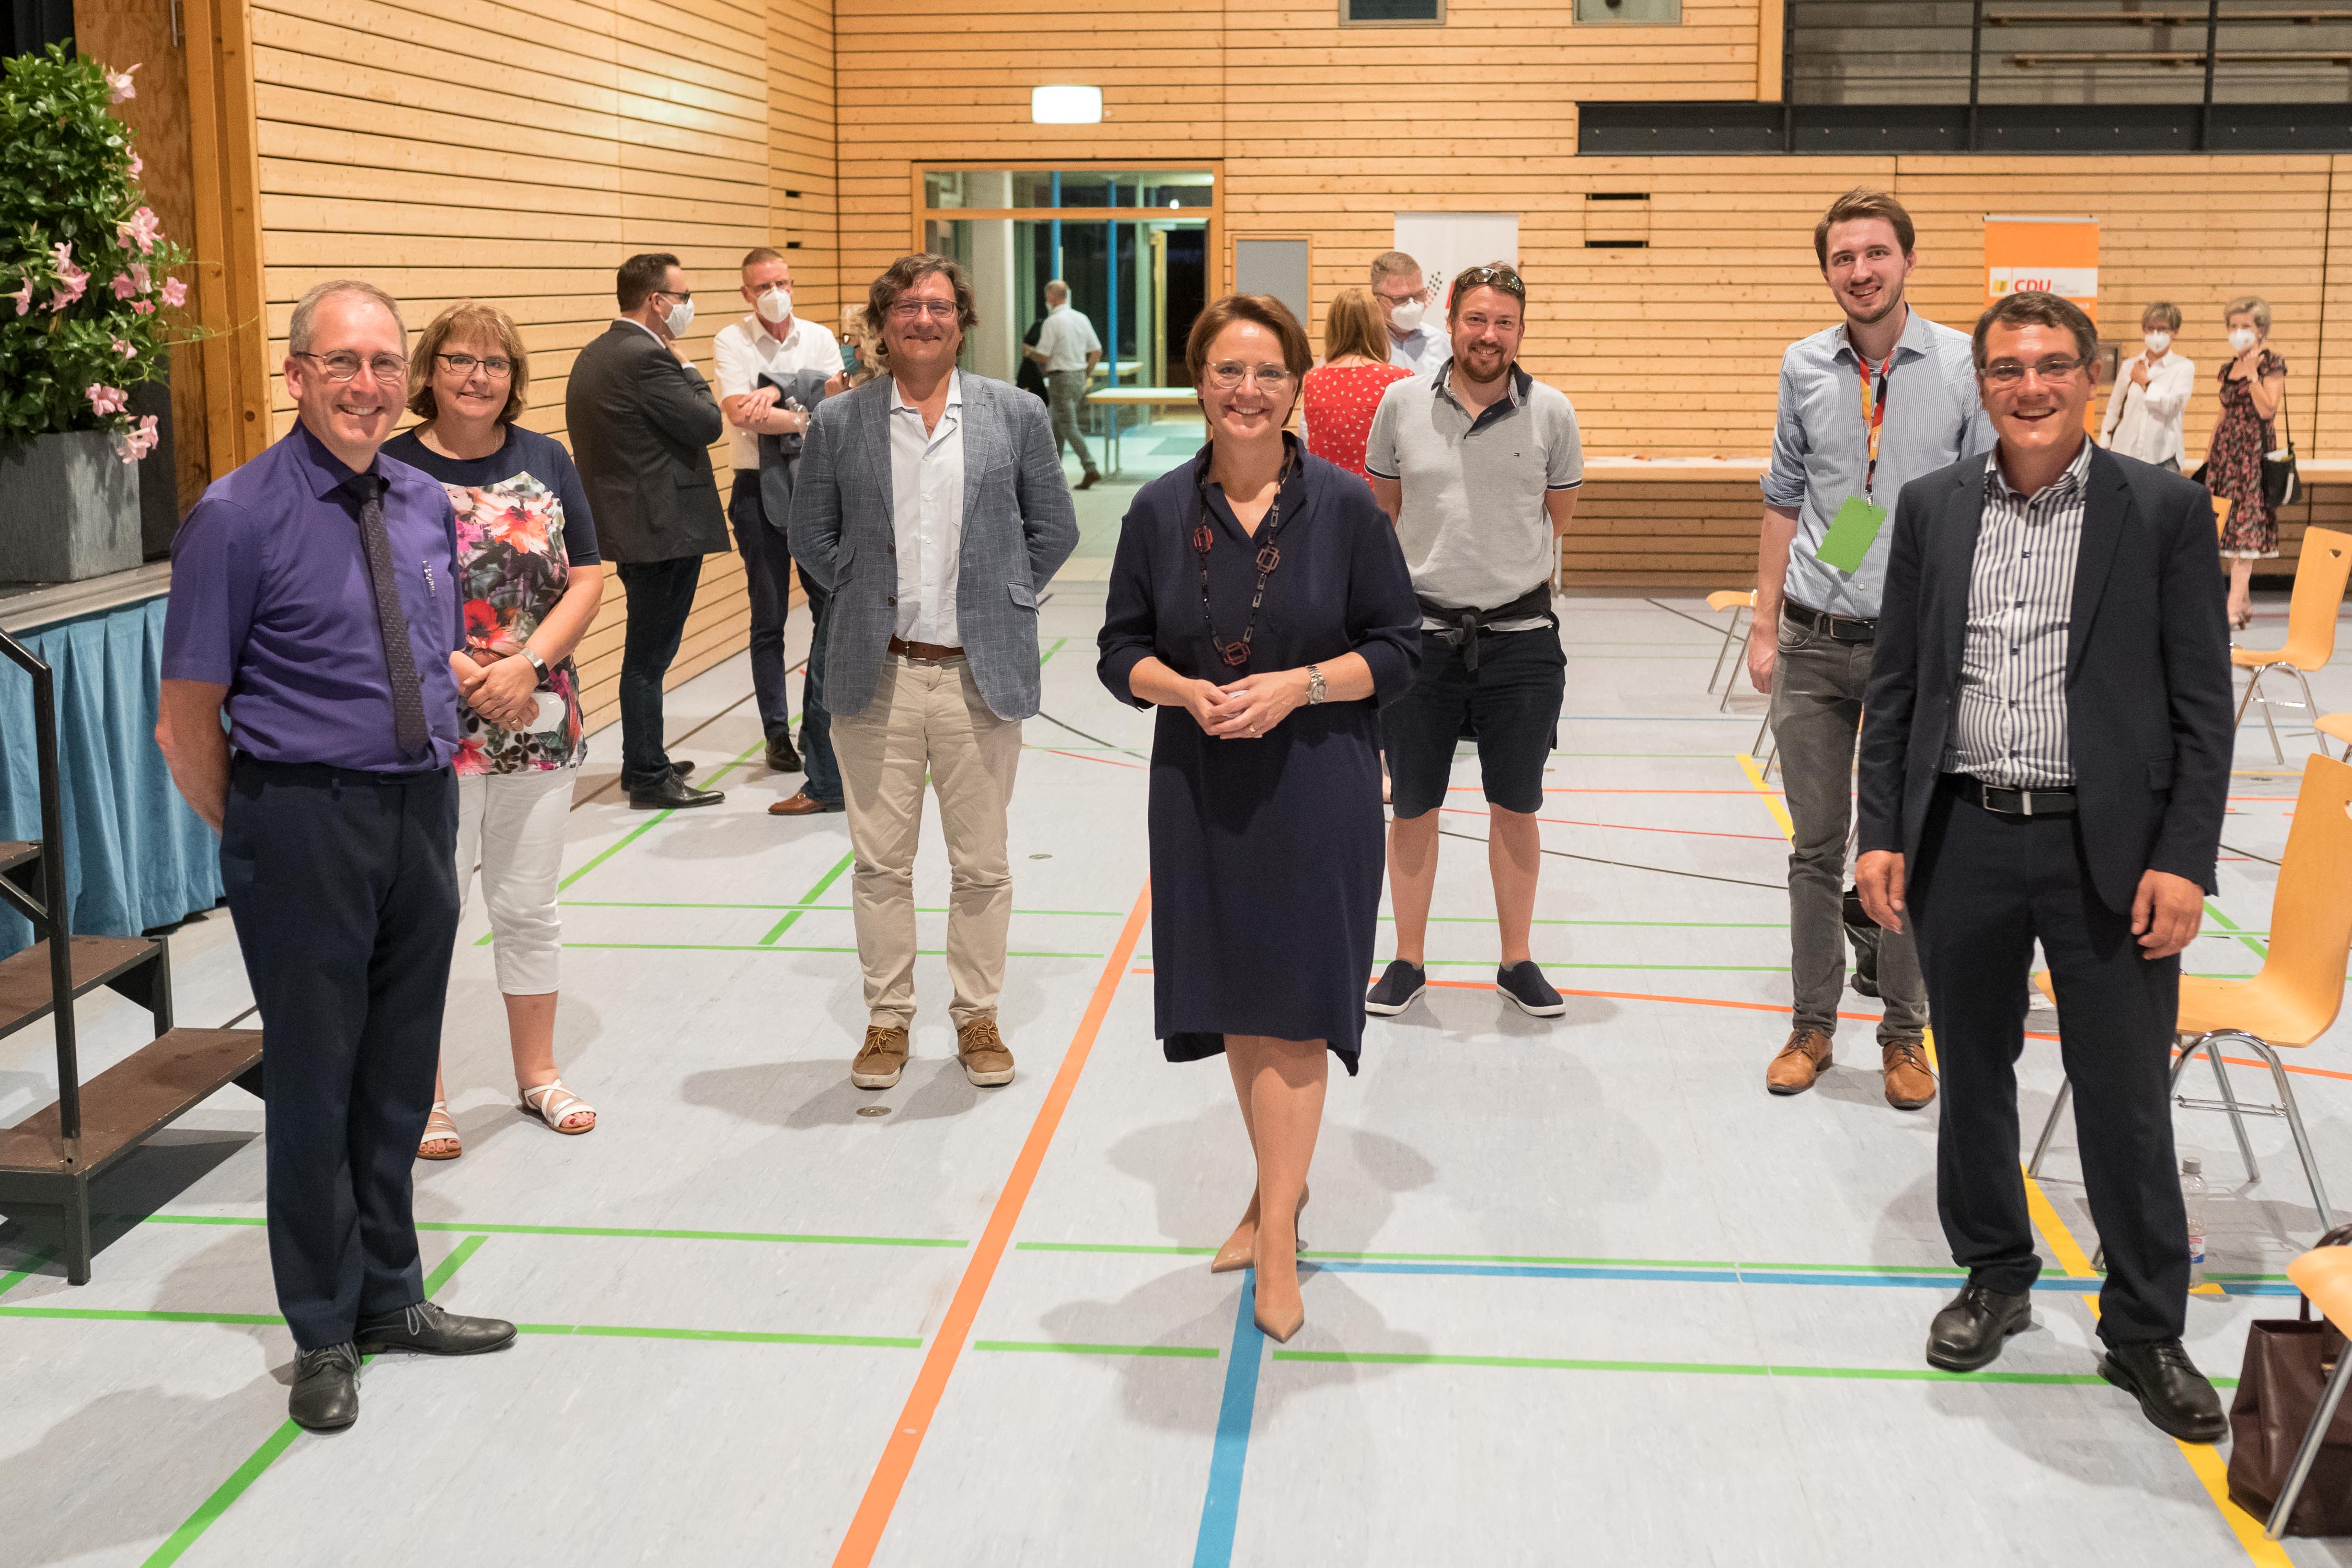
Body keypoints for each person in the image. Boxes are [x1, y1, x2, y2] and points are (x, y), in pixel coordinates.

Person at [1854, 290, 2233, 1441]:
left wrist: (2184, 860)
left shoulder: (2161, 509)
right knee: (1974, 1075)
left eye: (2054, 366)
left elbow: (2201, 707)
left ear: (2092, 376)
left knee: (2124, 1098)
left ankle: (2144, 1327)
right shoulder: (1928, 508)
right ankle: (1996, 1276)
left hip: (2106, 852)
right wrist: (1883, 828)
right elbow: (1902, 686)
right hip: (1965, 833)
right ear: (1982, 384)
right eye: (2010, 368)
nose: (2032, 387)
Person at [156, 280, 516, 1433]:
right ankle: (322, 1326)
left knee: (400, 1071)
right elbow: (185, 720)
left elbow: (427, 647)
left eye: (379, 362)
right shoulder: (234, 515)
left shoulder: (419, 501)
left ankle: (392, 1298)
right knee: (316, 1083)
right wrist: (264, 834)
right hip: (301, 820)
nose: (365, 384)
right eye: (340, 363)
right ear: (296, 374)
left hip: (419, 810)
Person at [1098, 293, 1419, 1343]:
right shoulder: (1155, 512)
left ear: (1297, 388)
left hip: (1318, 783)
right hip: (1199, 784)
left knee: (1296, 1005)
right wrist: (1182, 692)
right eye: (1229, 372)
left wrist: (1300, 688)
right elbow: (1118, 650)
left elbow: (1398, 648)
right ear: (1201, 383)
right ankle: (1276, 1194)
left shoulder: (1345, 508)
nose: (1248, 391)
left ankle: (1277, 1235)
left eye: (1269, 373)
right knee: (1240, 1000)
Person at [790, 255, 1079, 1091]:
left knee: (981, 865)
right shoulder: (840, 421)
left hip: (976, 676)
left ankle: (977, 1015)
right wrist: (860, 590)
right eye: (908, 307)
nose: (925, 319)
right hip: (873, 674)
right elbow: (811, 534)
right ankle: (886, 1021)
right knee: (881, 865)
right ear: (883, 322)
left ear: (964, 321)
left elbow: (1053, 526)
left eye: (941, 307)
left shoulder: (1014, 413)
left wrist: (1005, 591)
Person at [1749, 188, 1992, 1110]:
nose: (1860, 270)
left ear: (1907, 262)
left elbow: (1984, 506)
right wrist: (1767, 626)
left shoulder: (1965, 366)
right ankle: (1812, 1026)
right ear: (1828, 272)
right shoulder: (1805, 364)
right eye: (1844, 257)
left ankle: (1904, 1035)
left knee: (1904, 848)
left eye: (1876, 253)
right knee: (1815, 849)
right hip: (1815, 636)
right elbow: (1784, 497)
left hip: (1916, 648)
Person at [383, 301, 603, 1157]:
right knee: (426, 914)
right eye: (460, 360)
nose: (478, 376)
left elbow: (586, 577)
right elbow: (370, 590)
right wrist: (466, 676)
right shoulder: (389, 466)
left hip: (537, 719)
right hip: (428, 727)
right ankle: (423, 1096)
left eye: (496, 363)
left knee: (527, 906)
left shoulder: (546, 458)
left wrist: (527, 669)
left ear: (514, 379)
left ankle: (539, 1075)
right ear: (428, 371)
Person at [1361, 262, 1581, 1019]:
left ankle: (1516, 960)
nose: (1489, 336)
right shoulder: (1398, 404)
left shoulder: (1553, 412)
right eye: (1476, 320)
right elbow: (1384, 508)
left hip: (1520, 641)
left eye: (1505, 323)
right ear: (1450, 321)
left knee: (1515, 805)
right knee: (1413, 806)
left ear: (1521, 331)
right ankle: (1407, 960)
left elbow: (1558, 517)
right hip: (1418, 639)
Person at [565, 251, 728, 810]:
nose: (687, 307)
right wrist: (687, 366)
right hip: (663, 528)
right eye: (682, 297)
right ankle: (650, 776)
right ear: (657, 301)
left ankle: (643, 758)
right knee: (648, 659)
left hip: (634, 524)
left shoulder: (597, 353)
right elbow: (707, 422)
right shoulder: (649, 359)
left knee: (647, 654)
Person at [714, 247, 841, 778]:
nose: (776, 292)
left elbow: (841, 403)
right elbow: (740, 414)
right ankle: (776, 731)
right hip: (756, 489)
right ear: (747, 293)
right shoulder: (731, 340)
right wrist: (805, 407)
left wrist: (777, 398)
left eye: (783, 281)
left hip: (821, 487)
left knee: (828, 612)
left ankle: (818, 725)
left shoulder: (819, 337)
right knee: (768, 617)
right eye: (764, 285)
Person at [2204, 295, 2289, 629]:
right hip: (2226, 458)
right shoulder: (2227, 370)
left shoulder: (2271, 363)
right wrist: (2210, 457)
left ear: (2261, 330)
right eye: (2234, 326)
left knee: (2246, 533)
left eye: (2246, 326)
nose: (2239, 332)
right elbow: (2221, 415)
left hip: (2253, 457)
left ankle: (2229, 609)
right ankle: (2245, 602)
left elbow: (2268, 410)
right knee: (2226, 530)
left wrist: (2253, 373)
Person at [1301, 287, 1413, 481]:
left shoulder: (1313, 380)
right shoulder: (1399, 380)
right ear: (1378, 327)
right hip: (1379, 503)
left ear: (1333, 328)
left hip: (1324, 498)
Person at [1025, 279, 1102, 490]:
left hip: (1061, 378)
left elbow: (1043, 355)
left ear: (1052, 297)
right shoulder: (1082, 318)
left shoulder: (1053, 322)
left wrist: (1029, 352)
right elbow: (1096, 351)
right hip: (1078, 377)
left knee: (1067, 425)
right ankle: (1054, 473)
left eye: (1047, 296)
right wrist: (1085, 373)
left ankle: (1090, 467)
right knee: (1058, 426)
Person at [2099, 302, 2194, 472]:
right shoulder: (2130, 366)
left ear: (2175, 333)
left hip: (2163, 458)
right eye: (2151, 328)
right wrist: (2104, 443)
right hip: (2124, 453)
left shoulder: (2183, 367)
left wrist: (2146, 383)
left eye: (2163, 329)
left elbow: (2172, 408)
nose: (2156, 334)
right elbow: (2115, 407)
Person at [1368, 250, 1450, 376]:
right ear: (1377, 299)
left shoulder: (1439, 342)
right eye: (1401, 299)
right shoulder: (1364, 345)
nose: (1412, 305)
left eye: (1418, 295)